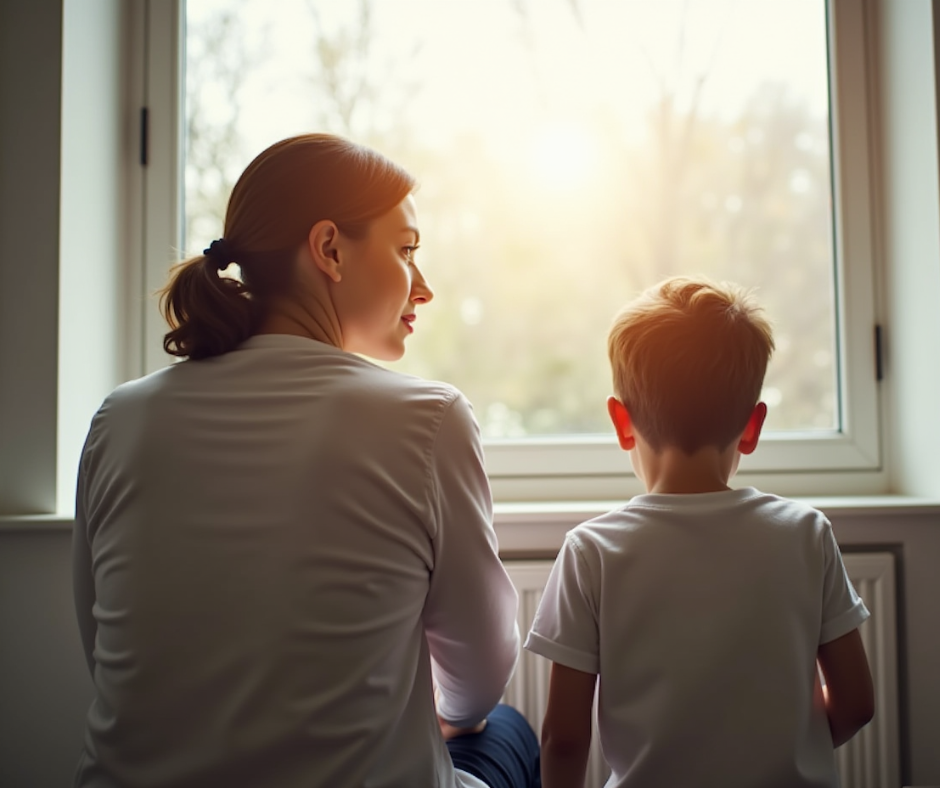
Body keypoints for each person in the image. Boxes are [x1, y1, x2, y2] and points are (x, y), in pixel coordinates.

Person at [72, 133, 540, 788]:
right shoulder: (426, 419)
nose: (424, 287)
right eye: (406, 250)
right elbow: (479, 677)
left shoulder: (117, 420)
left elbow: (105, 654)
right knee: (507, 729)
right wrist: (450, 720)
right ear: (328, 249)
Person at [524, 276, 874, 788]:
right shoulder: (805, 533)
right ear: (752, 427)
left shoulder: (592, 551)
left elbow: (565, 738)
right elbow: (857, 704)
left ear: (621, 421)